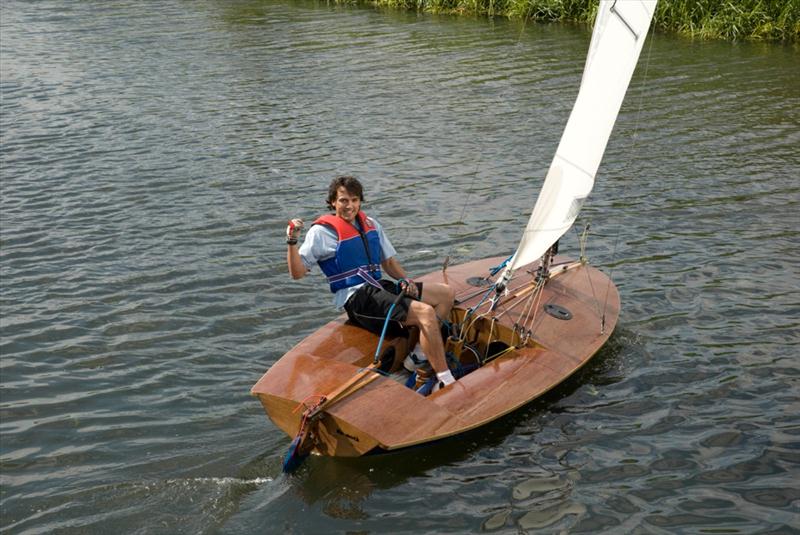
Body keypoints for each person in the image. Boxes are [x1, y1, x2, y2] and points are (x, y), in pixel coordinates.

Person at [286, 175, 457, 391]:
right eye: (343, 201)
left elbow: (389, 262)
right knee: (425, 313)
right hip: (357, 299)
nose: (350, 206)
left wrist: (405, 279)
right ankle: (445, 378)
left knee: (446, 294)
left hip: (378, 288)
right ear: (332, 202)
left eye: (354, 200)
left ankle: (418, 355)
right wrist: (292, 241)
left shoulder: (371, 224)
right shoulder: (320, 233)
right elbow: (297, 273)